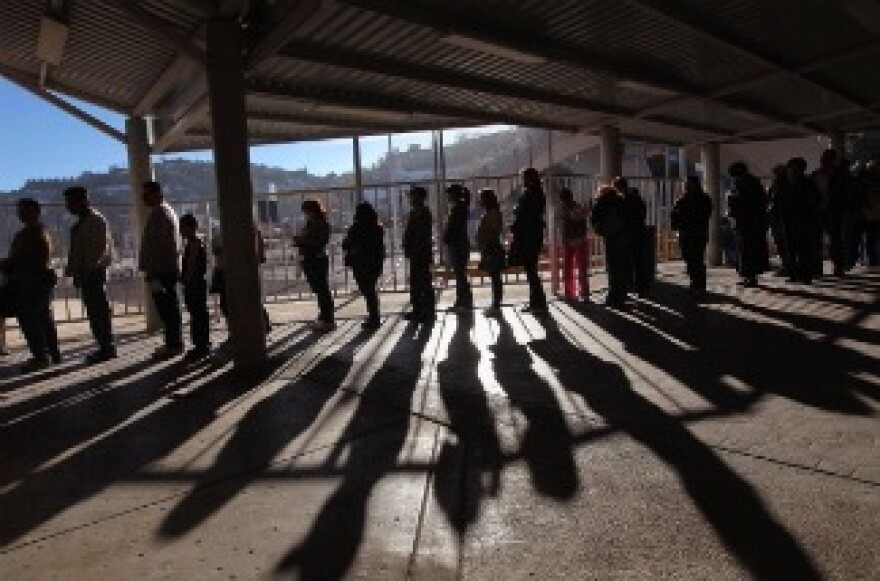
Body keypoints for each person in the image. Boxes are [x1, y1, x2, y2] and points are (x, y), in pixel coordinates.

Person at [0, 198, 60, 371]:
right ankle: (52, 354)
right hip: (35, 282)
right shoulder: (33, 234)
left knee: (28, 318)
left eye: (24, 210)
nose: (20, 214)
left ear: (35, 212)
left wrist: (8, 265)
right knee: (42, 318)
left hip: (31, 282)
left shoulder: (33, 235)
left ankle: (41, 356)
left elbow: (23, 260)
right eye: (19, 210)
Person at [63, 186, 116, 364]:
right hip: (88, 274)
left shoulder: (95, 221)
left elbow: (96, 251)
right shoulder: (84, 222)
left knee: (98, 312)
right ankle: (105, 346)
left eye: (70, 202)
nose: (68, 206)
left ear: (82, 201)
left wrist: (82, 271)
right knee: (95, 312)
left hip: (93, 274)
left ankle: (107, 347)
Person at [139, 180, 184, 358]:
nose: (143, 197)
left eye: (146, 193)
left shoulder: (160, 214)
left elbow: (160, 246)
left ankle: (174, 344)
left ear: (157, 193)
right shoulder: (165, 211)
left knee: (167, 309)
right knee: (169, 308)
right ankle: (173, 342)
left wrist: (152, 270)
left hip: (162, 270)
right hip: (165, 269)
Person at [209, 227, 271, 332]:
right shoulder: (248, 228)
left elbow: (216, 250)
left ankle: (240, 329)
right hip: (236, 268)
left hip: (229, 269)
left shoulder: (225, 231)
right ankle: (259, 326)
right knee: (245, 299)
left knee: (231, 302)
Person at [509, 167, 547, 314]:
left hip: (528, 236)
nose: (522, 181)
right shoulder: (537, 193)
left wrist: (517, 215)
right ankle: (536, 301)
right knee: (531, 269)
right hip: (533, 234)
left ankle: (538, 302)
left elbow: (525, 214)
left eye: (524, 178)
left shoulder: (530, 194)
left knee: (530, 269)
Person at [342, 201, 385, 330]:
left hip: (360, 262)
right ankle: (374, 316)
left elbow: (346, 244)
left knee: (367, 290)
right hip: (375, 262)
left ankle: (373, 318)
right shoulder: (377, 228)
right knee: (371, 289)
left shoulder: (356, 227)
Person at [727, 162, 769, 287]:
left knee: (748, 250)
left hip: (749, 222)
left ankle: (750, 276)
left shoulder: (747, 184)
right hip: (748, 222)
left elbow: (745, 203)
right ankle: (748, 275)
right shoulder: (751, 183)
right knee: (745, 249)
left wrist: (734, 205)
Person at [294, 199, 334, 330]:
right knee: (319, 289)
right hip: (310, 259)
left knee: (322, 290)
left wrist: (302, 241)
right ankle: (324, 316)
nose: (306, 214)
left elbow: (319, 242)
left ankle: (328, 319)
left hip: (316, 259)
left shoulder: (322, 224)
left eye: (307, 212)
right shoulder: (311, 223)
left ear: (313, 211)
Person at [782, 157, 823, 284]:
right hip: (790, 221)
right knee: (792, 249)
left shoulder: (806, 183)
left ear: (800, 169)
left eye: (793, 168)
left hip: (804, 221)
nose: (791, 170)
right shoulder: (787, 183)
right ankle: (795, 275)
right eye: (790, 168)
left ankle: (804, 275)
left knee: (803, 249)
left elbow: (816, 201)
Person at [671, 176, 713, 295]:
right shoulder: (703, 199)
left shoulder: (686, 199)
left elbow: (676, 215)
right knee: (693, 259)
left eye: (689, 184)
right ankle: (697, 283)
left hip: (691, 233)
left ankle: (697, 284)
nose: (687, 186)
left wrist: (678, 222)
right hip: (695, 233)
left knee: (694, 259)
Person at [591, 185, 631, 307]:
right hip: (624, 237)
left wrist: (602, 230)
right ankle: (622, 296)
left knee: (613, 268)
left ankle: (612, 297)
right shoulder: (621, 201)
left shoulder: (601, 202)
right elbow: (629, 218)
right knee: (622, 268)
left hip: (611, 239)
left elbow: (594, 220)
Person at [811, 149, 849, 276]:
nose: (824, 160)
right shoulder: (815, 174)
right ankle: (818, 268)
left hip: (833, 211)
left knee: (836, 241)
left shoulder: (840, 174)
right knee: (818, 240)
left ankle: (838, 267)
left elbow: (844, 193)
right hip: (819, 211)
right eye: (823, 158)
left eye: (827, 158)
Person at [179, 214, 211, 360]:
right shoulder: (198, 242)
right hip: (198, 283)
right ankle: (203, 344)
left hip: (194, 284)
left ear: (189, 227)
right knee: (200, 313)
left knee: (197, 314)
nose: (180, 230)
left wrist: (185, 279)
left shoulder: (193, 244)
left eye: (182, 227)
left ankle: (201, 346)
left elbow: (191, 266)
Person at [402, 186, 435, 322]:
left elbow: (418, 234)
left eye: (412, 196)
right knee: (418, 282)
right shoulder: (417, 212)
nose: (410, 199)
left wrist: (411, 246)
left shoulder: (422, 213)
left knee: (423, 282)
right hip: (418, 252)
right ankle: (419, 310)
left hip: (420, 252)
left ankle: (426, 311)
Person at [614, 177, 650, 295]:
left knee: (631, 262)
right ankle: (640, 287)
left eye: (617, 187)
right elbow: (642, 214)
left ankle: (633, 286)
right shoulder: (636, 198)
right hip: (638, 233)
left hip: (630, 234)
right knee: (638, 261)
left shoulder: (624, 200)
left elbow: (624, 217)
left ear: (620, 187)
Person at [443, 184, 473, 312]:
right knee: (460, 273)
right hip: (460, 244)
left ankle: (464, 301)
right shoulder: (461, 207)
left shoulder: (458, 208)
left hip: (458, 244)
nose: (448, 197)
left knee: (460, 274)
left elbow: (453, 228)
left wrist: (447, 238)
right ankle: (463, 300)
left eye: (450, 194)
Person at [476, 188, 505, 315]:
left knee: (495, 277)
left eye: (481, 198)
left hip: (492, 248)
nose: (480, 201)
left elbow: (493, 232)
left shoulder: (492, 213)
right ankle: (496, 304)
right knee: (494, 277)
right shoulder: (491, 213)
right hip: (489, 248)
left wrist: (486, 247)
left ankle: (496, 305)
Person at [558, 187, 590, 301]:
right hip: (580, 239)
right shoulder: (579, 207)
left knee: (568, 267)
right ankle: (584, 293)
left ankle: (570, 292)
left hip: (570, 239)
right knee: (581, 267)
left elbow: (566, 223)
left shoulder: (564, 210)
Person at [767, 164, 792, 277]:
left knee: (785, 243)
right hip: (777, 217)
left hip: (782, 218)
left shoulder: (785, 186)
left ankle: (788, 267)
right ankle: (787, 266)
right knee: (781, 243)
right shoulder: (776, 186)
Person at [861, 158, 880, 269]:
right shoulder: (866, 183)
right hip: (870, 214)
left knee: (871, 238)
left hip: (870, 214)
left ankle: (872, 259)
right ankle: (872, 259)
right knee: (871, 238)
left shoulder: (865, 182)